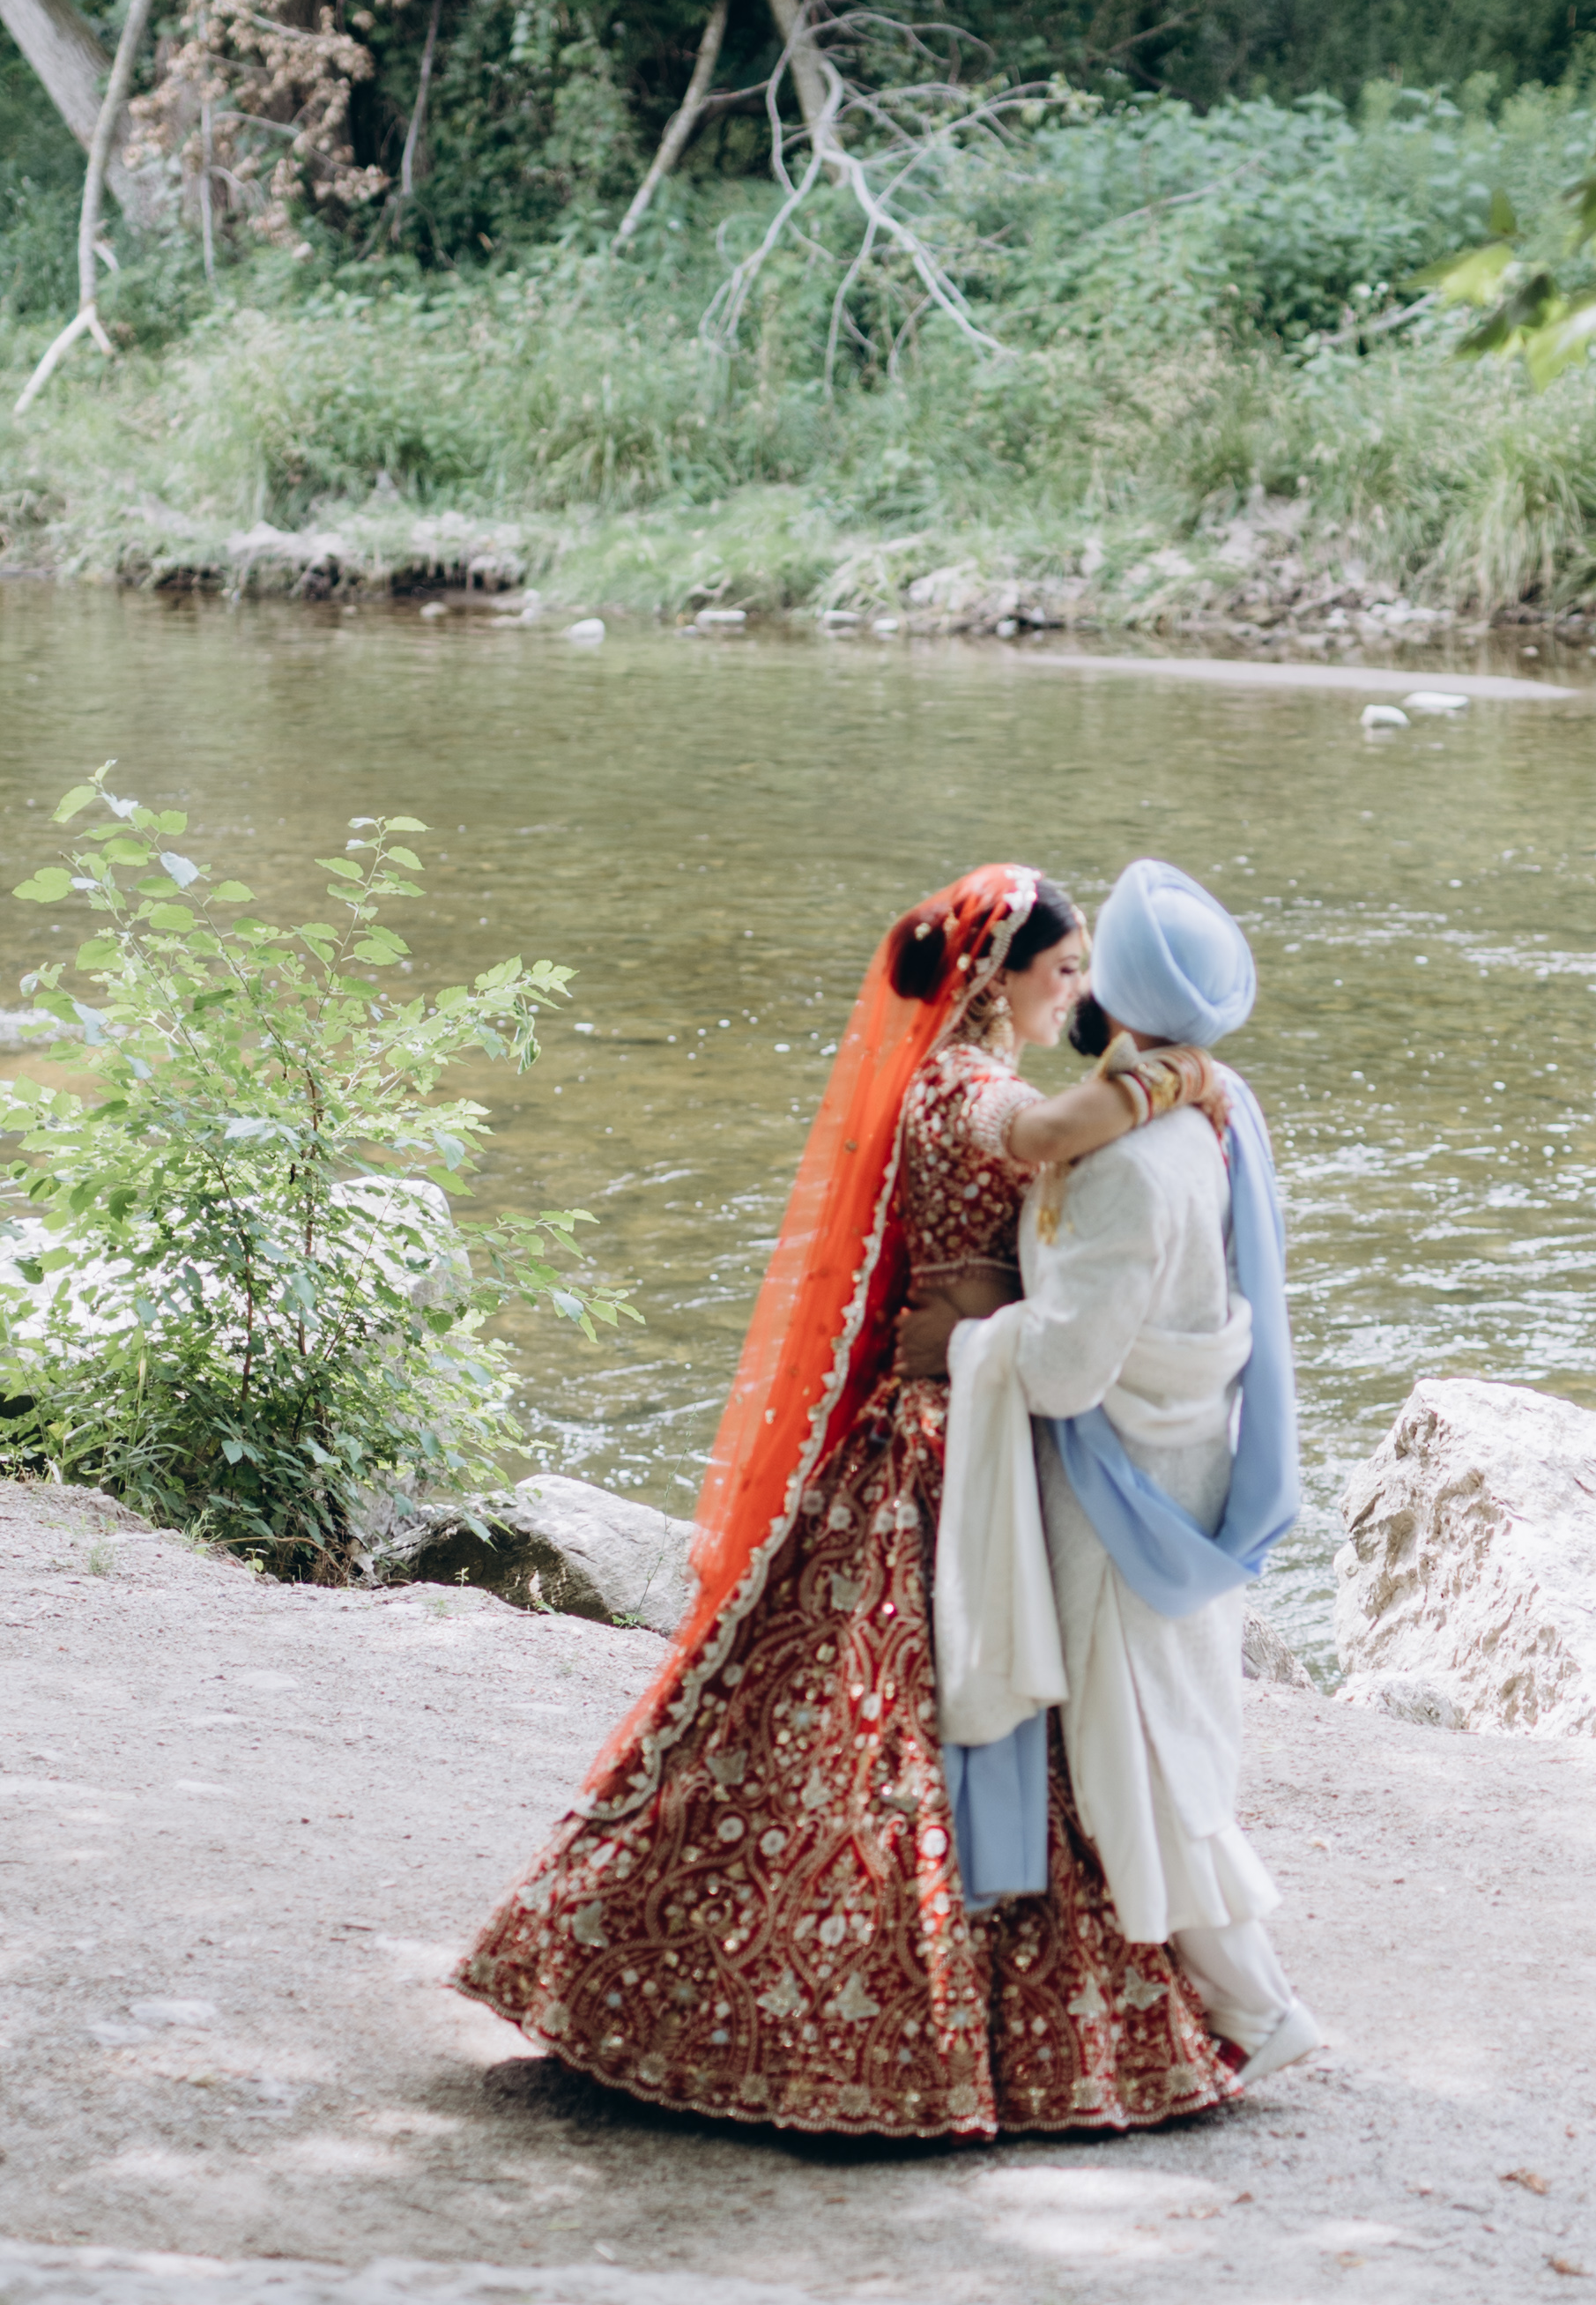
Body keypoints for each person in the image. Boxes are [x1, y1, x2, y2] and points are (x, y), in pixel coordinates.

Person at [455, 864, 1239, 2141]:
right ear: (996, 977)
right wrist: (1183, 1072)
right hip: (944, 1433)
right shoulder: (969, 1089)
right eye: (1064, 970)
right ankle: (893, 2022)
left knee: (900, 1706)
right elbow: (1052, 1137)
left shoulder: (956, 1076)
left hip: (961, 1407)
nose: (1080, 994)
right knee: (922, 1707)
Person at [905, 858, 1320, 2091]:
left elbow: (1064, 1371)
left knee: (1140, 1750)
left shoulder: (1130, 1163)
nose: (1077, 989)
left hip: (1119, 1488)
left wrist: (965, 1341)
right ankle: (1233, 2002)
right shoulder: (1214, 1112)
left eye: (1092, 971)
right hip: (1184, 1461)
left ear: (1115, 996)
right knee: (1171, 1732)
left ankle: (1261, 2006)